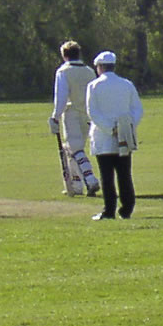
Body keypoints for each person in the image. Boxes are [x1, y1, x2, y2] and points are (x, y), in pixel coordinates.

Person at [85, 51, 144, 221]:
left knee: (107, 175)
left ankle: (109, 210)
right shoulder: (127, 84)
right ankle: (127, 209)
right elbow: (137, 109)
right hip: (124, 137)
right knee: (125, 173)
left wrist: (110, 129)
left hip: (103, 138)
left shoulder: (94, 86)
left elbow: (92, 112)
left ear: (100, 67)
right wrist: (127, 126)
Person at [49, 41, 101, 197]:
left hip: (71, 113)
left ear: (64, 56)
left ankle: (91, 179)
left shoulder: (63, 72)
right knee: (71, 149)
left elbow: (61, 97)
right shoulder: (89, 71)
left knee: (75, 148)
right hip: (87, 114)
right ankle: (76, 185)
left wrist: (55, 117)